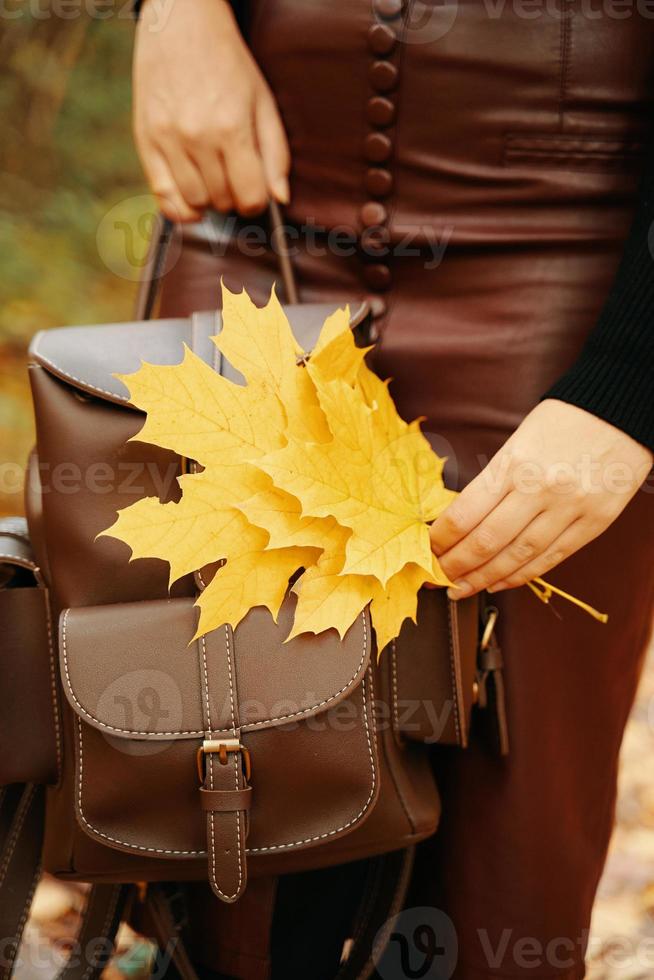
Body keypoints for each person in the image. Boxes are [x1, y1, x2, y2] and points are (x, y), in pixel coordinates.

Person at [132, 1, 654, 976]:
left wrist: (633, 382)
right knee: (225, 860)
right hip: (255, 222)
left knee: (508, 893)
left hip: (568, 266)